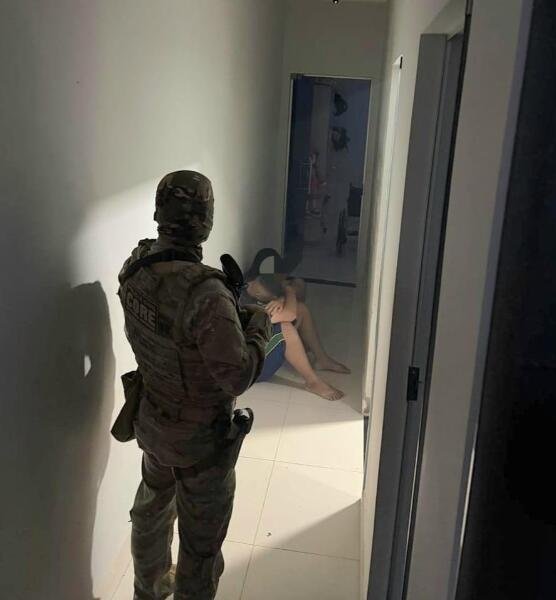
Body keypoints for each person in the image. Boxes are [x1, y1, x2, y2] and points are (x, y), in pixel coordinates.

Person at [118, 171, 271, 600]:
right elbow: (237, 374)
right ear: (206, 221)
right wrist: (258, 327)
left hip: (152, 421)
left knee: (150, 514)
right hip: (201, 441)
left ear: (158, 211)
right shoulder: (207, 293)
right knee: (200, 546)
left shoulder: (135, 265)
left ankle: (148, 590)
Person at [242, 274, 350, 401]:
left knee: (301, 308)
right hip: (251, 370)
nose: (250, 284)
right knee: (285, 328)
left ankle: (322, 359)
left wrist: (282, 298)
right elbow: (290, 314)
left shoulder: (251, 293)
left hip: (254, 349)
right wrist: (288, 292)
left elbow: (299, 284)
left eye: (255, 281)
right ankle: (313, 382)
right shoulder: (249, 308)